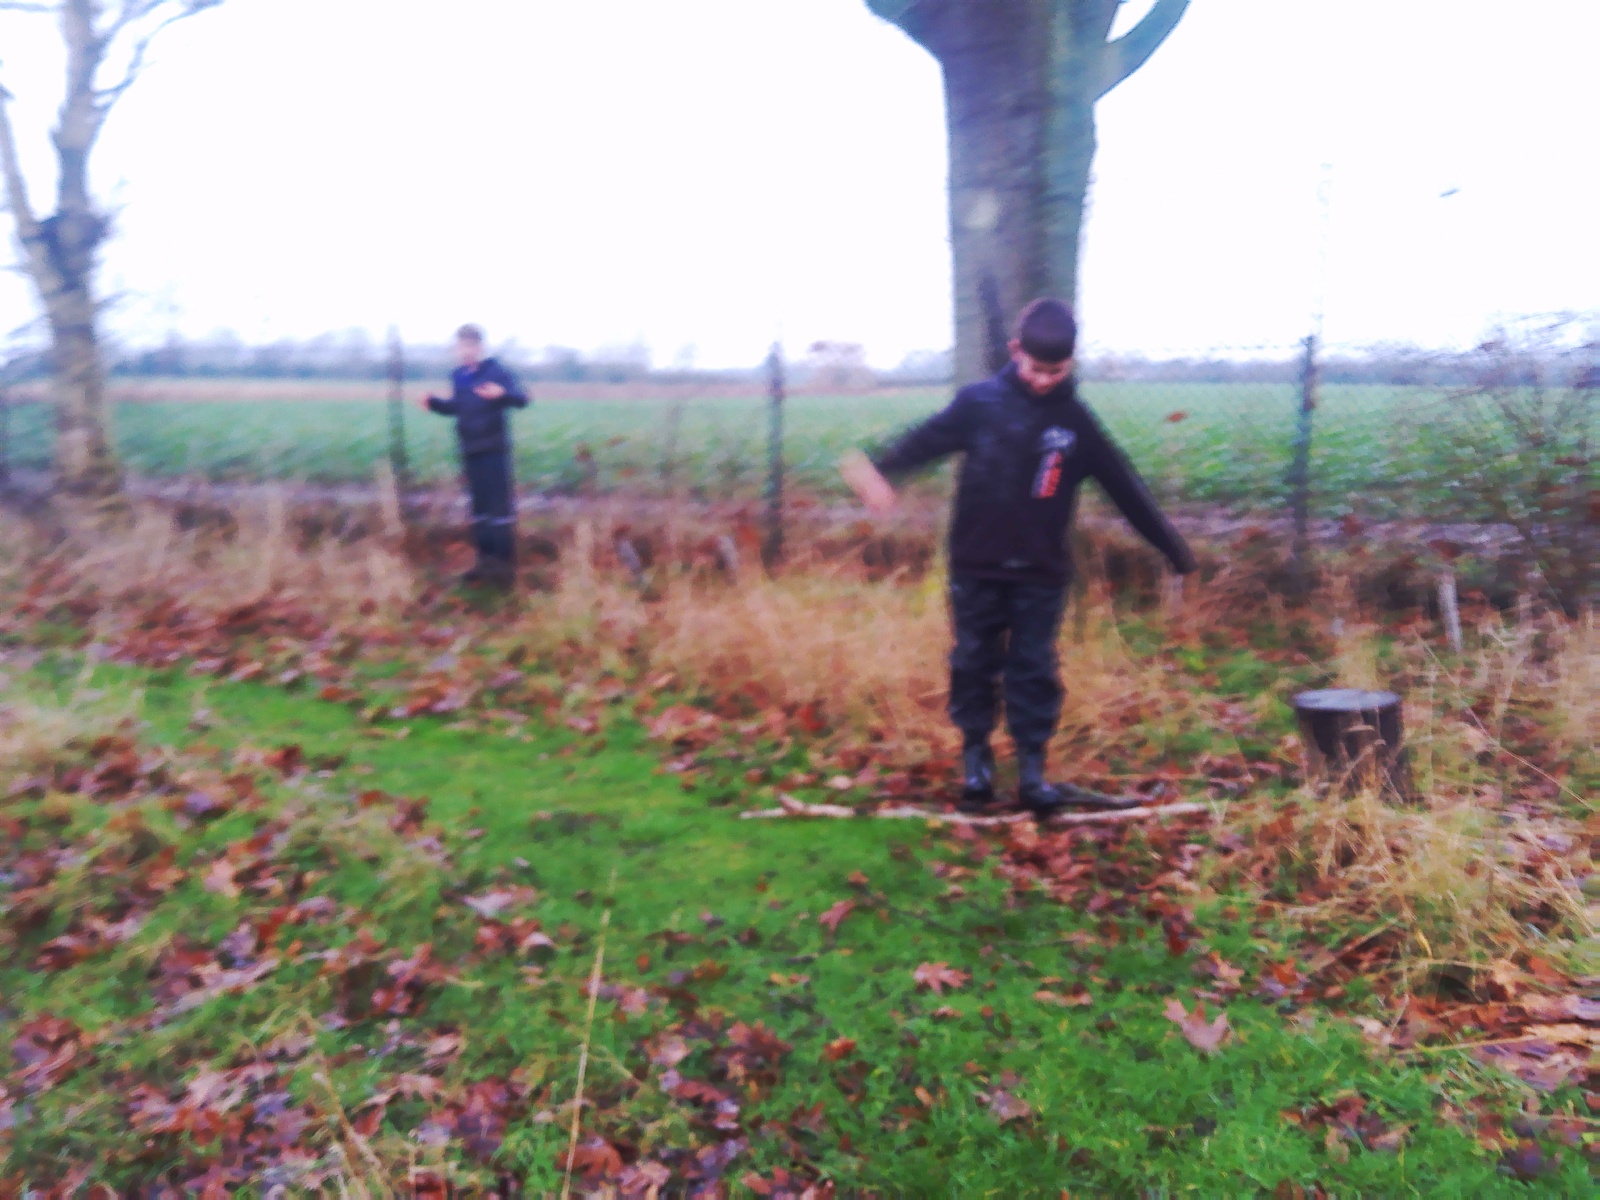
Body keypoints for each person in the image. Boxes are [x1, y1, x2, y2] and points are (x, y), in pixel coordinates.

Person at [840, 298, 1196, 816]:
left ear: (1070, 364)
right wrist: (878, 472)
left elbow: (1126, 489)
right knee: (972, 662)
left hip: (1041, 573)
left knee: (1033, 669)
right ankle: (977, 766)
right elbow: (925, 441)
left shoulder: (1075, 422)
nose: (1045, 380)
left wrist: (1174, 552)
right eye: (1036, 369)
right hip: (975, 565)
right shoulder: (978, 403)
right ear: (1015, 351)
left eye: (1057, 371)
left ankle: (1032, 772)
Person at [419, 324, 529, 585]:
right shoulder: (458, 375)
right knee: (479, 510)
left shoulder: (496, 371)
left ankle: (504, 569)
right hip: (470, 450)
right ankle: (484, 563)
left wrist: (503, 394)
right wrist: (434, 403)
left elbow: (522, 399)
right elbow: (458, 407)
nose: (465, 352)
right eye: (460, 347)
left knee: (499, 511)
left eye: (470, 346)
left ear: (479, 347)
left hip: (494, 450)